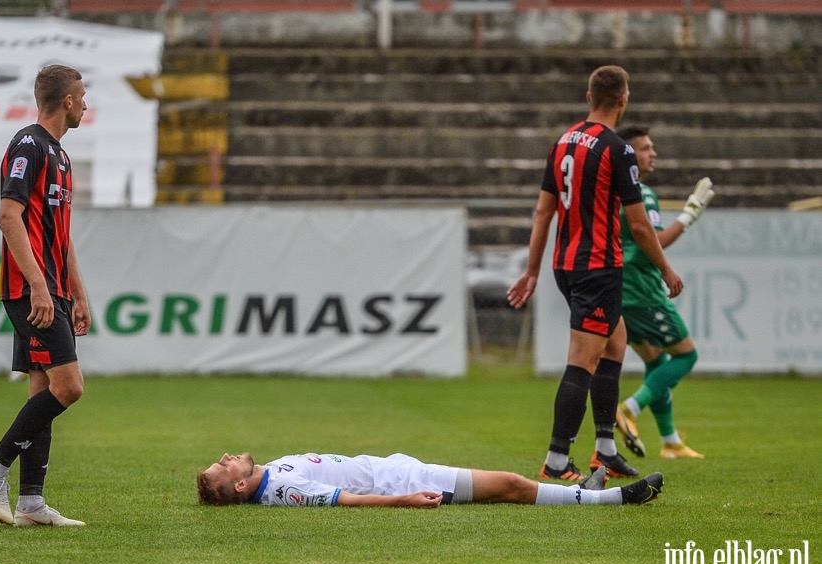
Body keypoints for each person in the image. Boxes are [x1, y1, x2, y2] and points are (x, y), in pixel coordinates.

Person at [507, 65, 683, 482]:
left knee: (615, 342)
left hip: (565, 265)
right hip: (598, 267)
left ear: (589, 97)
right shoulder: (617, 150)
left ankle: (604, 450)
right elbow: (640, 226)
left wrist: (532, 271)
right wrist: (667, 269)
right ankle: (554, 460)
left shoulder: (562, 143)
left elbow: (543, 213)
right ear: (624, 100)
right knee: (582, 361)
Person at [0, 65, 90, 527]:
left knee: (44, 388)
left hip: (54, 291)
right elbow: (7, 216)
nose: (85, 104)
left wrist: (77, 294)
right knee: (69, 387)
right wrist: (39, 285)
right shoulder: (29, 144)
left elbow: (62, 235)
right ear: (67, 101)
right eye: (82, 96)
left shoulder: (60, 155)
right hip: (30, 291)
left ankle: (32, 503)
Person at [615, 125, 713, 460]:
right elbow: (651, 241)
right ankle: (629, 409)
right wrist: (688, 216)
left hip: (618, 288)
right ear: (629, 155)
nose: (652, 153)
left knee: (656, 361)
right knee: (687, 355)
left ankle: (670, 441)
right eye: (644, 148)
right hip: (643, 290)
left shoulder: (610, 191)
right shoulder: (641, 192)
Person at [196, 452, 664, 508]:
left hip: (399, 466)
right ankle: (613, 501)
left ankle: (580, 492)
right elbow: (345, 499)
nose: (225, 457)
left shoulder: (269, 474)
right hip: (404, 479)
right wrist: (405, 500)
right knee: (509, 484)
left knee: (507, 483)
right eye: (224, 467)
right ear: (241, 487)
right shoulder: (281, 490)